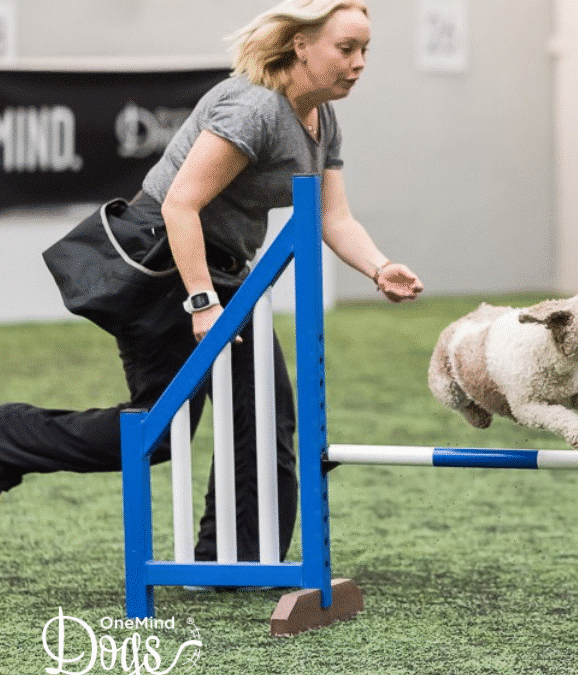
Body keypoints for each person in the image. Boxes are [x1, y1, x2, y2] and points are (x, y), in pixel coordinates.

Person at [0, 0, 422, 568]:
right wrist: (202, 304)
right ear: (300, 44)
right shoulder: (254, 106)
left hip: (225, 275)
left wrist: (378, 266)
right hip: (167, 265)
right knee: (159, 432)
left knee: (262, 416)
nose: (359, 62)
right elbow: (181, 204)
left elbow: (331, 217)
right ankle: (8, 436)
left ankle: (236, 560)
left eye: (365, 49)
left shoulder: (321, 118)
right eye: (346, 48)